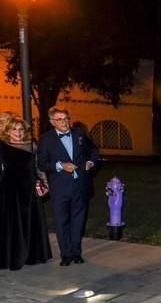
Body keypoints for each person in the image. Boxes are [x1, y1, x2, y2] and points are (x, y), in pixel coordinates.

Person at [37, 107, 99, 267]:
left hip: (80, 185)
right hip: (60, 188)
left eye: (65, 118)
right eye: (59, 119)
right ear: (52, 122)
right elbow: (42, 163)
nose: (64, 122)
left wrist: (90, 162)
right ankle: (65, 254)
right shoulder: (46, 139)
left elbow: (93, 150)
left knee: (78, 220)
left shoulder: (79, 134)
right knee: (61, 221)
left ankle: (76, 253)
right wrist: (60, 165)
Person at [0, 117, 52, 270]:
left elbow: (38, 168)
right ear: (8, 131)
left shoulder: (33, 145)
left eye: (21, 129)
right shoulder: (1, 146)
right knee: (10, 225)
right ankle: (10, 258)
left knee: (30, 222)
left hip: (29, 189)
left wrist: (45, 185)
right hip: (8, 190)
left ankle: (32, 255)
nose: (18, 132)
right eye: (14, 129)